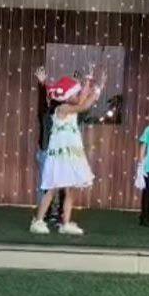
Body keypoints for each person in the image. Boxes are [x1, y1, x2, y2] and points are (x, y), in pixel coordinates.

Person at [29, 67, 104, 235]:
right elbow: (84, 104)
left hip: (70, 156)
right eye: (75, 93)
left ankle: (66, 222)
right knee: (52, 189)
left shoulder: (71, 109)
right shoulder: (62, 109)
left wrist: (91, 83)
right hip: (59, 157)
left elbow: (83, 99)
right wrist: (94, 86)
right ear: (67, 96)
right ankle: (39, 220)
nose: (78, 95)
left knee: (71, 189)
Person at [34, 67, 68, 224]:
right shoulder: (47, 115)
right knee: (51, 185)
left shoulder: (61, 116)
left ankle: (54, 214)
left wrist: (43, 86)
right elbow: (43, 105)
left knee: (54, 185)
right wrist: (42, 86)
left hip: (55, 153)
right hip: (47, 152)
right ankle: (49, 214)